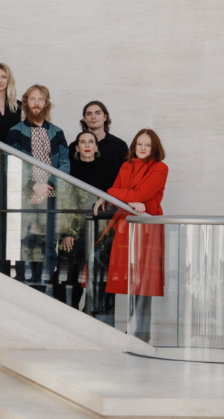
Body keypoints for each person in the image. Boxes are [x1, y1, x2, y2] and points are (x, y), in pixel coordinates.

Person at [100, 129, 168, 342]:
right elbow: (111, 193)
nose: (142, 148)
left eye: (147, 145)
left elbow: (140, 195)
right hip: (124, 227)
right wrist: (129, 200)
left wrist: (124, 197)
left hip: (147, 228)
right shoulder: (126, 165)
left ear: (154, 147)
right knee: (129, 278)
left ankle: (142, 332)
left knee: (143, 280)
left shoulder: (160, 168)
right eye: (139, 144)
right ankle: (131, 330)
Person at [8, 84, 71, 289]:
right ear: (26, 103)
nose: (36, 104)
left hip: (51, 196)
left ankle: (43, 287)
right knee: (26, 242)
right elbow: (11, 163)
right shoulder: (16, 132)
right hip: (26, 196)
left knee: (48, 244)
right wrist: (33, 185)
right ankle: (25, 287)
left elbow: (65, 164)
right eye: (32, 99)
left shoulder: (57, 133)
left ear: (46, 103)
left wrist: (48, 184)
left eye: (40, 99)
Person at [71, 101, 127, 190]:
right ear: (84, 119)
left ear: (105, 117)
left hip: (111, 199)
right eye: (89, 114)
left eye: (98, 113)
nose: (93, 117)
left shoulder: (120, 146)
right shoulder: (73, 147)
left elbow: (124, 178)